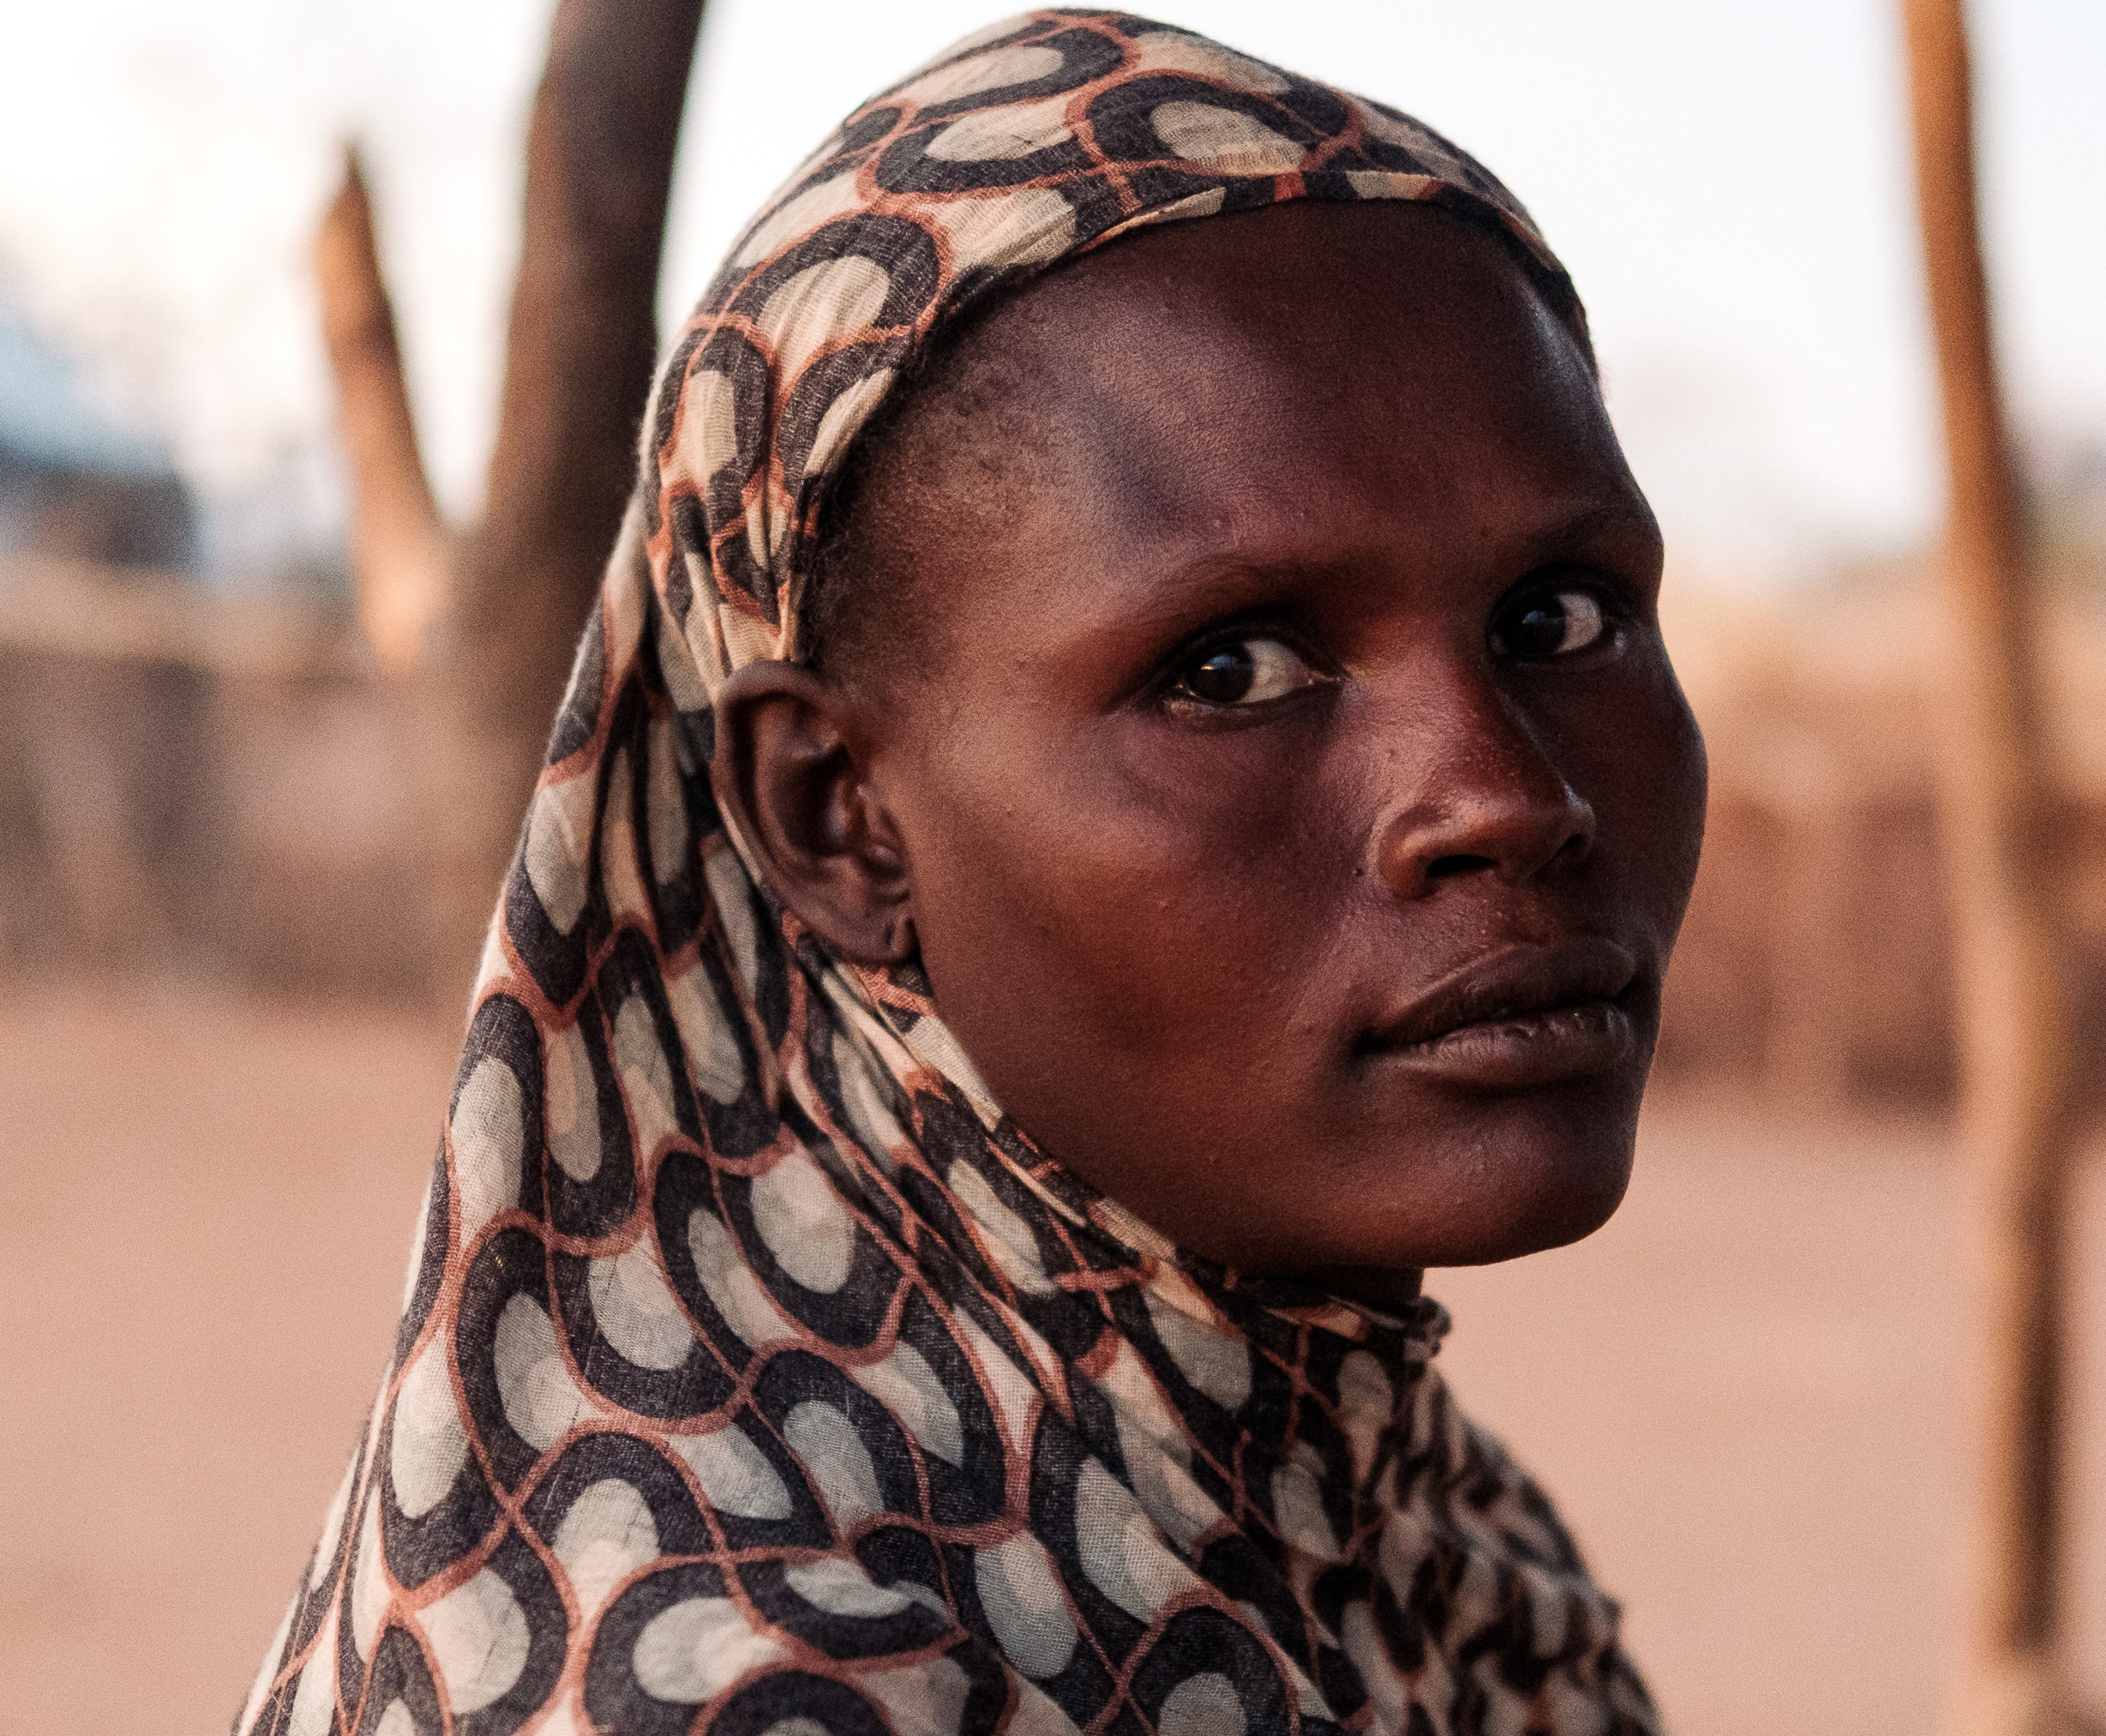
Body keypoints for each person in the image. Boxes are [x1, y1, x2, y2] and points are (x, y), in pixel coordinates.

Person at [242, 14, 1706, 1733]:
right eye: (1231, 668)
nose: (1504, 797)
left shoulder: (1398, 1520)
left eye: (1558, 618)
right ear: (836, 814)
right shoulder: (734, 1675)